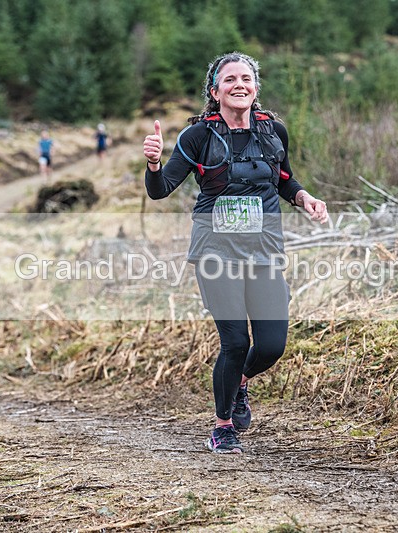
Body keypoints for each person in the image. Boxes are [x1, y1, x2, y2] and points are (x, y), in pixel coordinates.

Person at [142, 52, 328, 454]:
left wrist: (304, 197)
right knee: (234, 342)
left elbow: (282, 177)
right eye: (229, 80)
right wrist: (154, 164)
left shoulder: (273, 130)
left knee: (271, 345)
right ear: (215, 91)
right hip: (216, 251)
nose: (238, 84)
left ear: (255, 88)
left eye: (246, 78)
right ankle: (223, 426)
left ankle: (239, 381)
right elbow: (160, 190)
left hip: (263, 249)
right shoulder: (198, 137)